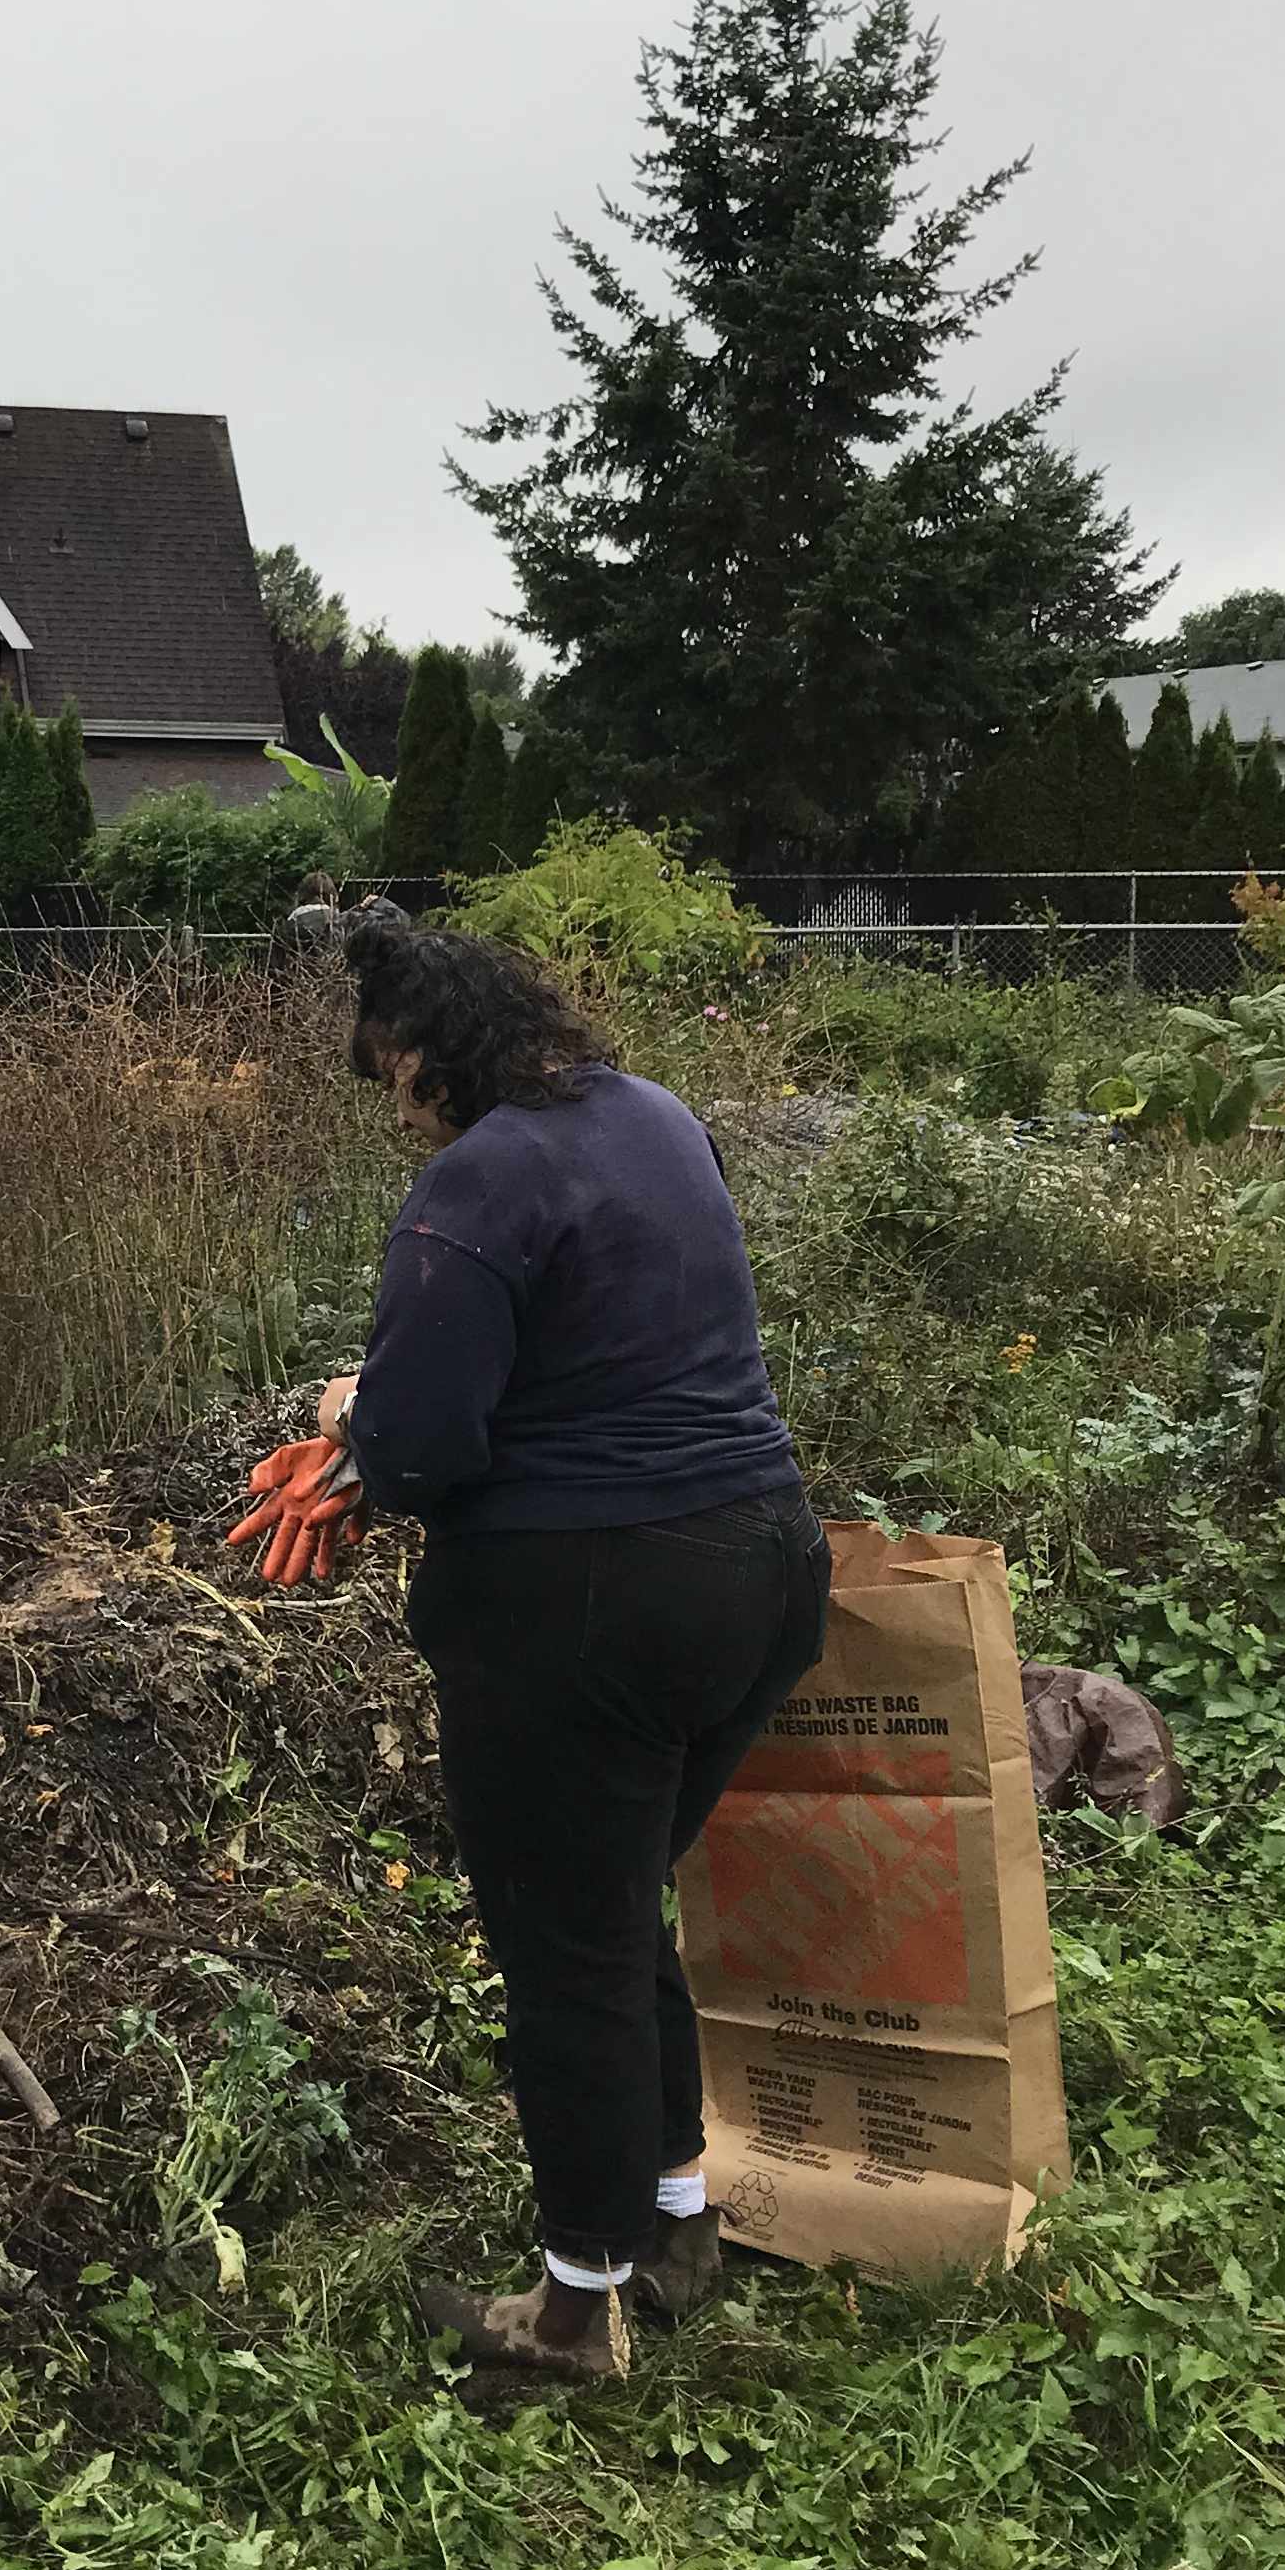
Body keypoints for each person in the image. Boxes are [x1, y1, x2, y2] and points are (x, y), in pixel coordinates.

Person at [314, 920, 828, 2382]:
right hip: (763, 1569)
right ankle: (677, 2221)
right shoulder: (656, 1115)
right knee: (619, 1906)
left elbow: (420, 1449)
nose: (396, 1117)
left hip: (592, 1610)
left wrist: (359, 1415)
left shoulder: (472, 1184)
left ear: (421, 1058)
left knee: (567, 1957)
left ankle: (570, 2310)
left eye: (388, 1085)